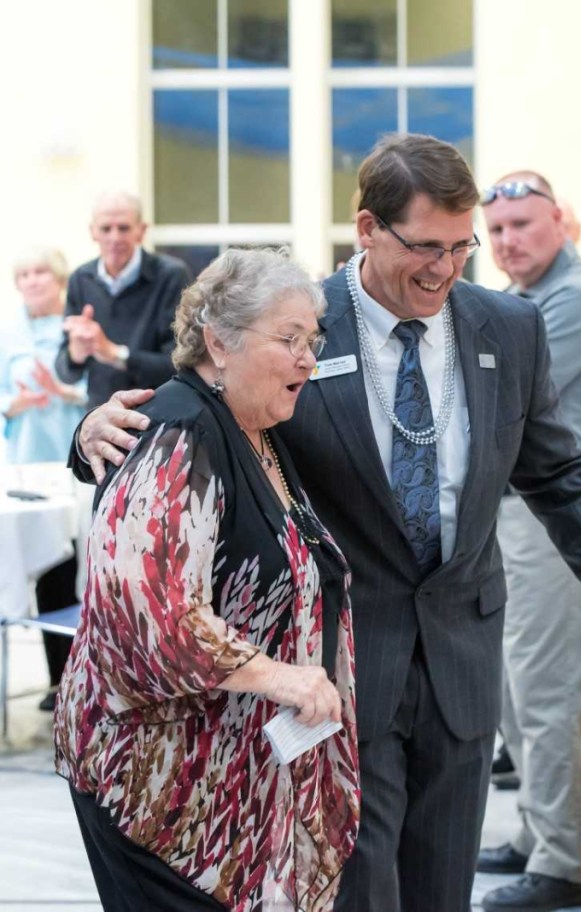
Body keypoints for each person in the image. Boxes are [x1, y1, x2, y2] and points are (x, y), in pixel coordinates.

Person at [73, 134, 581, 912]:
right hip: (339, 667)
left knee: (441, 888)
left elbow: (556, 468)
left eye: (461, 247)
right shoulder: (298, 327)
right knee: (361, 889)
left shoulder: (506, 330)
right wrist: (95, 437)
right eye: (424, 246)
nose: (444, 270)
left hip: (461, 655)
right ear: (369, 228)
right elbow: (199, 407)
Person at [54, 249, 359, 911]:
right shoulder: (180, 432)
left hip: (223, 777)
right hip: (154, 783)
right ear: (218, 344)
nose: (309, 358)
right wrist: (281, 676)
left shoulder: (258, 427)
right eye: (289, 339)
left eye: (313, 339)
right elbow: (151, 615)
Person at [477, 173, 581, 912]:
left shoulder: (578, 299)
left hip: (551, 520)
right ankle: (537, 833)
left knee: (544, 693)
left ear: (560, 222)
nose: (508, 242)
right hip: (512, 515)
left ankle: (561, 865)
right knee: (509, 684)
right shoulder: (526, 300)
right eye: (496, 230)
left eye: (523, 226)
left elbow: (502, 396)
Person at [1, 247, 86, 708]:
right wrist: (16, 404)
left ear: (57, 280)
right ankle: (57, 682)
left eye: (40, 273)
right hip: (27, 470)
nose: (32, 281)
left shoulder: (76, 326)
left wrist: (61, 392)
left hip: (74, 470)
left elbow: (96, 390)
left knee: (74, 575)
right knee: (41, 574)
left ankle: (80, 678)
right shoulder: (9, 330)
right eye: (24, 274)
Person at [55, 191, 190, 408]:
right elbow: (65, 373)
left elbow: (181, 363)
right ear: (92, 232)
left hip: (159, 415)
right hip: (101, 417)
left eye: (124, 228)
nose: (114, 238)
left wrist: (115, 354)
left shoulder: (171, 276)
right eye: (106, 228)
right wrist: (76, 354)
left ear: (141, 230)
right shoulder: (80, 279)